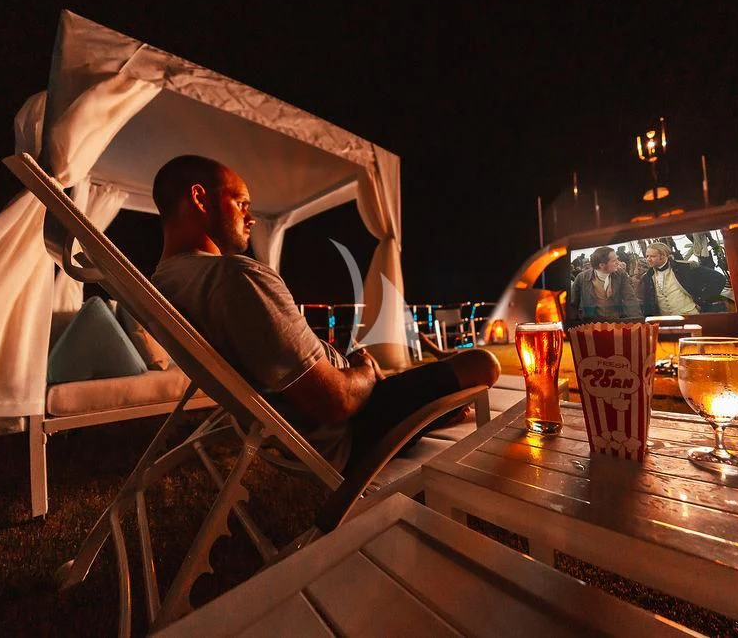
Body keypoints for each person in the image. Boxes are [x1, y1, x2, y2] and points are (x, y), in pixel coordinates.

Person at [149, 155, 500, 474]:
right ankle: (416, 405)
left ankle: (426, 412)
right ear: (199, 198)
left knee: (423, 380)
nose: (251, 217)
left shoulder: (164, 283)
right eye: (241, 204)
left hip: (301, 418)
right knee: (483, 364)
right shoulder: (234, 277)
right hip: (345, 432)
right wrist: (366, 372)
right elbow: (337, 401)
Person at [637, 241, 726, 316]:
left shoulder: (685, 268)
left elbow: (719, 279)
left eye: (652, 256)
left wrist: (702, 298)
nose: (648, 259)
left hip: (690, 315)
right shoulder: (647, 276)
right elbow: (647, 302)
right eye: (647, 256)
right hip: (666, 320)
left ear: (663, 255)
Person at [566, 246, 642, 324]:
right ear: (602, 265)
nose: (618, 263)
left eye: (617, 259)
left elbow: (630, 299)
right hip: (591, 325)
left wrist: (638, 321)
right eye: (614, 261)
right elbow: (573, 305)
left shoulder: (621, 274)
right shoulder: (581, 278)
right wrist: (574, 325)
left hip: (617, 323)